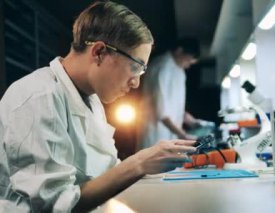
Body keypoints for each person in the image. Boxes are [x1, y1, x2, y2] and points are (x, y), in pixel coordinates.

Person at [0, 1, 196, 212]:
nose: (136, 82)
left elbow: (106, 173)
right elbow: (56, 205)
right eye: (135, 67)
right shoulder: (37, 97)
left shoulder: (91, 100)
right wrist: (138, 163)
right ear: (100, 52)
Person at [139, 38, 201, 150]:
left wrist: (188, 118)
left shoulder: (180, 71)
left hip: (171, 132)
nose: (189, 65)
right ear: (179, 50)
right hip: (156, 132)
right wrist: (183, 135)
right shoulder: (162, 66)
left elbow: (174, 105)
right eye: (189, 60)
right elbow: (161, 112)